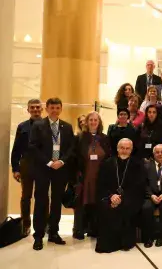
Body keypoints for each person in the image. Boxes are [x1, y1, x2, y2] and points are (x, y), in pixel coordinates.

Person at [30, 98, 75, 251]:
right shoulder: (38, 125)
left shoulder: (67, 127)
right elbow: (34, 147)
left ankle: (54, 232)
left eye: (57, 107)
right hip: (44, 168)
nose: (55, 110)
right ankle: (38, 235)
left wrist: (61, 161)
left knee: (56, 201)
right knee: (41, 201)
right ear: (47, 108)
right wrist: (49, 162)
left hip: (60, 169)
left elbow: (71, 148)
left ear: (61, 109)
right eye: (52, 107)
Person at [95, 139, 146, 253]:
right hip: (109, 196)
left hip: (130, 198)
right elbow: (101, 184)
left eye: (127, 148)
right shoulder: (107, 163)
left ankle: (125, 242)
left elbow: (138, 186)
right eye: (122, 148)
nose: (124, 151)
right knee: (106, 207)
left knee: (126, 207)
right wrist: (112, 196)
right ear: (117, 149)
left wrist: (121, 198)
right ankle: (109, 242)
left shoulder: (137, 165)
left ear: (131, 150)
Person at [73, 111, 111, 240]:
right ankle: (79, 229)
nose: (93, 122)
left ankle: (94, 229)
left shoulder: (105, 139)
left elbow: (109, 157)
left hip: (99, 177)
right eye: (91, 120)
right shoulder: (80, 138)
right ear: (87, 122)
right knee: (81, 204)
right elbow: (75, 157)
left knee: (97, 202)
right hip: (84, 175)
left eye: (96, 120)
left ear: (99, 123)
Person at [11, 99, 43, 235]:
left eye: (37, 107)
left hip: (43, 165)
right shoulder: (22, 126)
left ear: (41, 109)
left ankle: (42, 224)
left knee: (42, 197)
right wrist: (15, 168)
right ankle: (26, 224)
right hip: (26, 165)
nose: (35, 110)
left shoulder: (48, 125)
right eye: (32, 108)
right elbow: (16, 149)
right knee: (26, 197)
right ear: (28, 110)